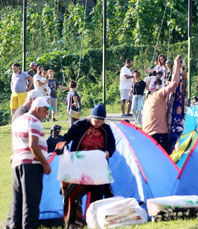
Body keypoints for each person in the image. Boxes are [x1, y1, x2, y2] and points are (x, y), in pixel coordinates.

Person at [57, 104, 116, 228]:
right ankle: (74, 222)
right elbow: (67, 137)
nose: (98, 124)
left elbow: (112, 146)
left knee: (98, 195)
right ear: (90, 117)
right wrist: (61, 146)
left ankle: (95, 222)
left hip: (97, 168)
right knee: (73, 195)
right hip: (79, 168)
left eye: (101, 122)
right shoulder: (80, 125)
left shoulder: (106, 129)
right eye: (96, 121)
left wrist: (107, 153)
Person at [6, 97, 53, 229]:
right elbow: (33, 145)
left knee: (17, 200)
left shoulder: (18, 121)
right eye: (45, 111)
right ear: (38, 109)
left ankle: (15, 226)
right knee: (31, 201)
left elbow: (14, 142)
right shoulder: (34, 122)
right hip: (32, 165)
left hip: (18, 163)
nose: (46, 114)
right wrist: (45, 163)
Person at [142, 55, 183, 154]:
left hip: (147, 137)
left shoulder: (146, 102)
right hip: (159, 136)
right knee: (167, 163)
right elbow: (174, 84)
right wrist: (176, 64)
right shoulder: (158, 94)